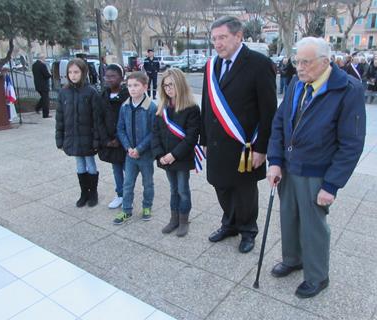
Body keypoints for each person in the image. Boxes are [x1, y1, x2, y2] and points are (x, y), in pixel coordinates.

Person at [266, 37, 366, 299]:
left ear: (325, 61)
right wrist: (275, 161)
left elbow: (351, 144)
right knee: (288, 218)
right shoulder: (295, 84)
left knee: (313, 226)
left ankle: (317, 276)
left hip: (317, 171)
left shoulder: (348, 89)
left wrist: (331, 185)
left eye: (305, 62)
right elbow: (279, 123)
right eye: (297, 61)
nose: (299, 67)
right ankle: (293, 259)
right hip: (289, 166)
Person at [200, 16, 277, 253]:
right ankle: (229, 224)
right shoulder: (212, 65)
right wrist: (204, 139)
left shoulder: (259, 63)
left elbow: (269, 111)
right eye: (214, 39)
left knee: (244, 191)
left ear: (239, 36)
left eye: (222, 37)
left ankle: (247, 230)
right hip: (216, 142)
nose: (217, 44)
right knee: (221, 186)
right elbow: (207, 104)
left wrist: (262, 148)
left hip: (245, 146)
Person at [151, 68, 201, 237]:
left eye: (172, 85)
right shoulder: (162, 108)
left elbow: (191, 137)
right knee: (173, 190)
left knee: (182, 190)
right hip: (165, 158)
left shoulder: (192, 109)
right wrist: (159, 155)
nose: (168, 89)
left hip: (181, 158)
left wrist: (173, 155)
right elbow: (155, 133)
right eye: (165, 86)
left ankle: (184, 220)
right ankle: (174, 219)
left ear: (180, 84)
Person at [56, 59, 101, 208]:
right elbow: (60, 118)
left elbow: (96, 118)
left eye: (76, 72)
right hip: (73, 136)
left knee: (90, 164)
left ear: (83, 73)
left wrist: (96, 139)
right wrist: (60, 139)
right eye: (70, 72)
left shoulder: (91, 91)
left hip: (87, 137)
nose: (73, 75)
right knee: (80, 165)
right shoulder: (64, 92)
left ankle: (93, 193)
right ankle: (84, 193)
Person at [114, 72, 157, 225]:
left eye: (136, 85)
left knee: (148, 183)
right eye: (130, 85)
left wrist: (139, 148)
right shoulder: (125, 106)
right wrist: (128, 148)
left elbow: (154, 132)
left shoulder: (151, 107)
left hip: (145, 155)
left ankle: (147, 207)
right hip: (130, 155)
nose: (132, 89)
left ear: (145, 87)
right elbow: (120, 129)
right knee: (128, 183)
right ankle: (126, 210)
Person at [96, 64, 130, 209]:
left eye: (113, 76)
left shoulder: (127, 95)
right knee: (116, 168)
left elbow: (128, 120)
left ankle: (129, 194)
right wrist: (106, 140)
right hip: (110, 141)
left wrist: (119, 138)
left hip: (124, 141)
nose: (109, 79)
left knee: (128, 170)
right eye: (107, 76)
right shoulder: (102, 95)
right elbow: (99, 119)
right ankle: (120, 194)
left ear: (121, 78)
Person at [32, 53, 52, 118]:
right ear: (42, 58)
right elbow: (46, 75)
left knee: (43, 98)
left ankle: (37, 108)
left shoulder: (34, 65)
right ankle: (45, 114)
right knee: (46, 100)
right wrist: (51, 75)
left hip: (37, 85)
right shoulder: (42, 65)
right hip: (44, 85)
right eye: (44, 58)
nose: (45, 59)